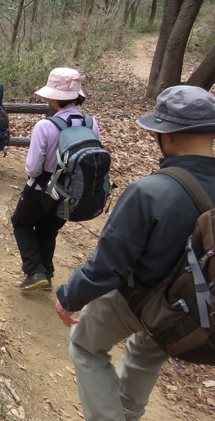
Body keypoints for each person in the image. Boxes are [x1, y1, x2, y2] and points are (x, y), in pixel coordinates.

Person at [55, 85, 215, 421]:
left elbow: (108, 267)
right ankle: (127, 413)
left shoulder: (150, 192)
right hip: (190, 308)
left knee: (85, 345)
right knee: (147, 350)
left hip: (139, 299)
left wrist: (70, 296)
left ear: (166, 136)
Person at [11, 67, 99, 291]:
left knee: (21, 223)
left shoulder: (46, 126)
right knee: (48, 229)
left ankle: (34, 270)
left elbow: (33, 168)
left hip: (43, 187)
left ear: (54, 98)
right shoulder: (91, 123)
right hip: (72, 191)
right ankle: (46, 274)